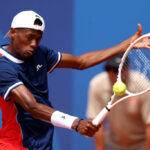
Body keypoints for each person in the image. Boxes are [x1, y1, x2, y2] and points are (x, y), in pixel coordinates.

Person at [0, 10, 150, 150]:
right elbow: (31, 106)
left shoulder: (40, 53)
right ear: (13, 32)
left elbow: (81, 62)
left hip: (43, 143)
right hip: (15, 145)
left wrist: (127, 45)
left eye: (38, 39)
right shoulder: (3, 66)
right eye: (29, 37)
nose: (34, 44)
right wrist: (75, 123)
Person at [86, 55, 150, 150]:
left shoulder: (143, 85)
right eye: (108, 70)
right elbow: (98, 126)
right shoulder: (97, 85)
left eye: (116, 70)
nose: (112, 74)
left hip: (141, 145)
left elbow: (149, 125)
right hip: (113, 145)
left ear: (128, 68)